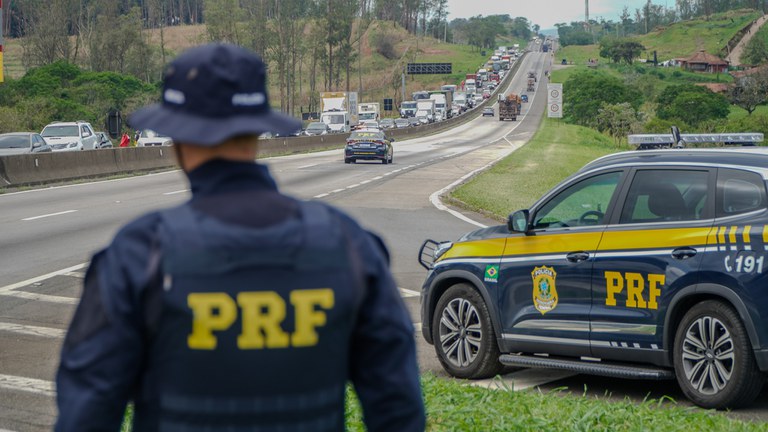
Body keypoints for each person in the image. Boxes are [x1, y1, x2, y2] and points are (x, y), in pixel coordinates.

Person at [55, 43, 425, 432]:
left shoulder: (138, 253)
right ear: (257, 129)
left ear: (178, 138)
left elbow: (86, 413)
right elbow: (398, 408)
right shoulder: (347, 244)